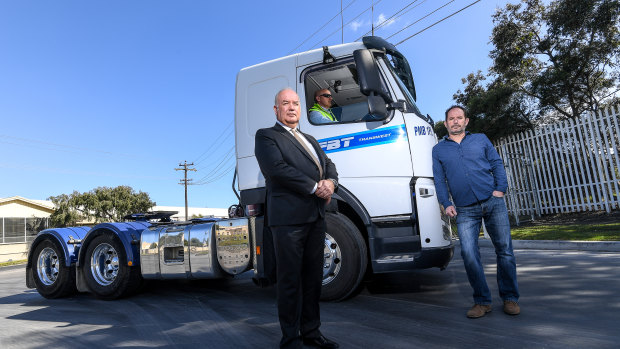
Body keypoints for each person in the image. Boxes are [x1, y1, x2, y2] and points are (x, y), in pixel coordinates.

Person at [255, 88, 339, 348]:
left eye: (295, 103)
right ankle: (290, 339)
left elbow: (329, 164)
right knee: (290, 281)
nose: (291, 107)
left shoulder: (310, 139)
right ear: (276, 110)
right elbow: (276, 170)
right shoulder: (267, 136)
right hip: (288, 221)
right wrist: (316, 187)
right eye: (285, 103)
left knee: (313, 281)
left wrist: (331, 183)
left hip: (315, 218)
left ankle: (312, 334)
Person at [432, 105, 520, 319]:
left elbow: (497, 163)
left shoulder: (480, 139)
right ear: (445, 124)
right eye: (451, 119)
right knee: (469, 254)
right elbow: (439, 180)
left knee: (505, 251)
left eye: (459, 118)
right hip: (464, 209)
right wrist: (446, 202)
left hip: (493, 201)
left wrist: (500, 189)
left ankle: (510, 298)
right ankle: (482, 301)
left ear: (466, 121)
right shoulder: (438, 150)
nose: (455, 121)